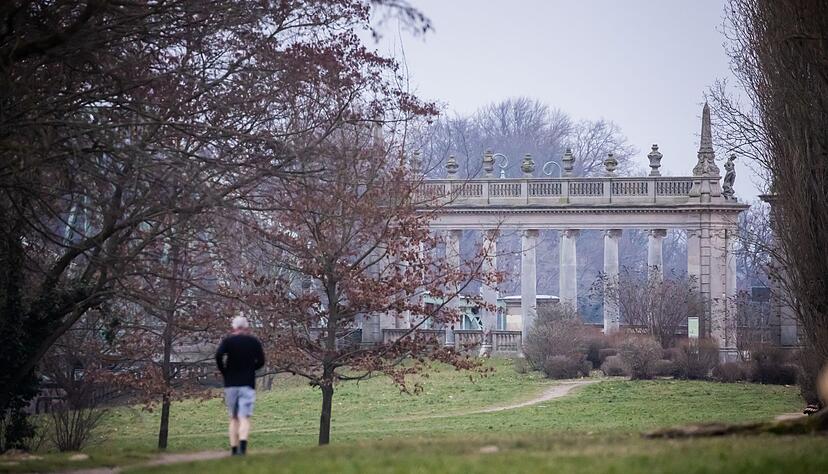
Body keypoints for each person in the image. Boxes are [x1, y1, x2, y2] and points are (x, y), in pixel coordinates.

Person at [215, 315, 265, 456]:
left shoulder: (228, 341)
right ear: (246, 327)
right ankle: (243, 447)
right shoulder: (253, 342)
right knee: (244, 417)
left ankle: (234, 448)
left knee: (233, 417)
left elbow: (219, 355)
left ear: (234, 327)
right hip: (247, 384)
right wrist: (251, 369)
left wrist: (224, 370)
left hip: (231, 383)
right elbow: (261, 361)